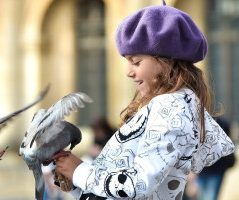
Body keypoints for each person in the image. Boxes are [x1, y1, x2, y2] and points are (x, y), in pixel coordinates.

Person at [54, 1, 235, 199]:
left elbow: (138, 184)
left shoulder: (172, 108)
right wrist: (73, 178)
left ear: (167, 60)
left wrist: (79, 170)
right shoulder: (168, 104)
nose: (129, 72)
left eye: (136, 62)